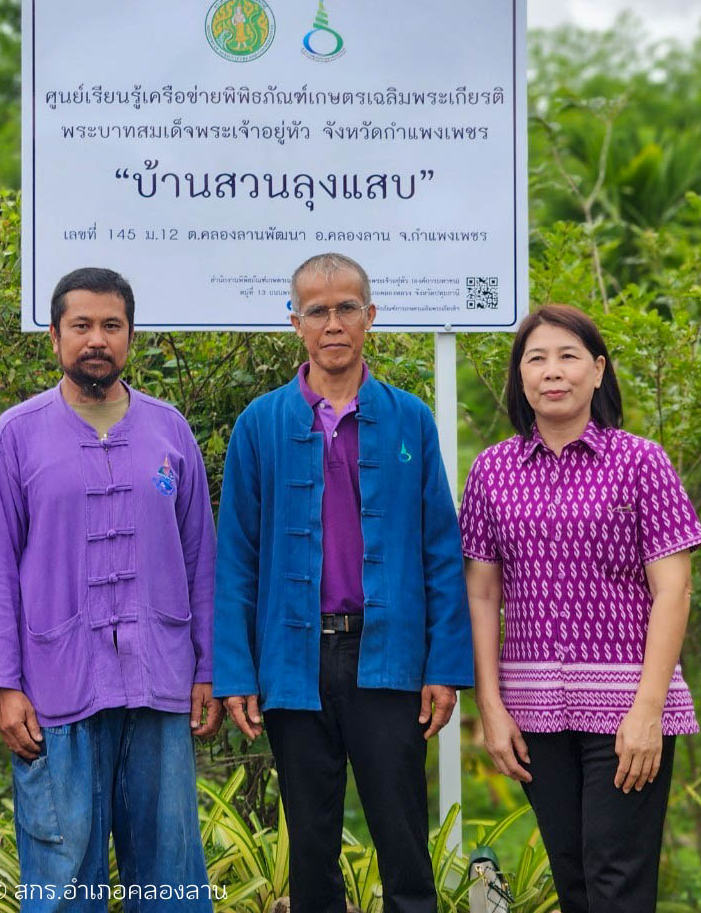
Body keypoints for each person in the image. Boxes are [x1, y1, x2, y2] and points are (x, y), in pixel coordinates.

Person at [215, 253, 473, 913]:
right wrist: (237, 672)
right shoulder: (260, 424)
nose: (334, 323)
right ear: (295, 322)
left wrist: (443, 665)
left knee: (404, 838)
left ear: (370, 317)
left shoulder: (410, 419)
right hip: (293, 666)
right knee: (310, 847)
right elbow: (237, 560)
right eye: (318, 311)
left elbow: (441, 550)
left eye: (347, 308)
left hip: (386, 661)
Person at [0, 267, 222, 911]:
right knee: (61, 875)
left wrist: (207, 669)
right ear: (55, 336)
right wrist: (4, 686)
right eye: (81, 325)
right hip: (56, 684)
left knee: (168, 873)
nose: (96, 340)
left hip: (159, 681)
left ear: (131, 337)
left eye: (111, 326)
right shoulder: (16, 435)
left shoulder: (170, 432)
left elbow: (201, 559)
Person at [459, 304, 701, 913]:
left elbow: (674, 590)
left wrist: (648, 711)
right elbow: (483, 592)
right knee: (572, 881)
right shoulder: (492, 471)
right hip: (535, 712)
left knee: (616, 882)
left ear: (598, 371)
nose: (553, 372)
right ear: (521, 377)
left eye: (568, 357)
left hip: (628, 709)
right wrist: (490, 706)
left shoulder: (641, 461)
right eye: (536, 359)